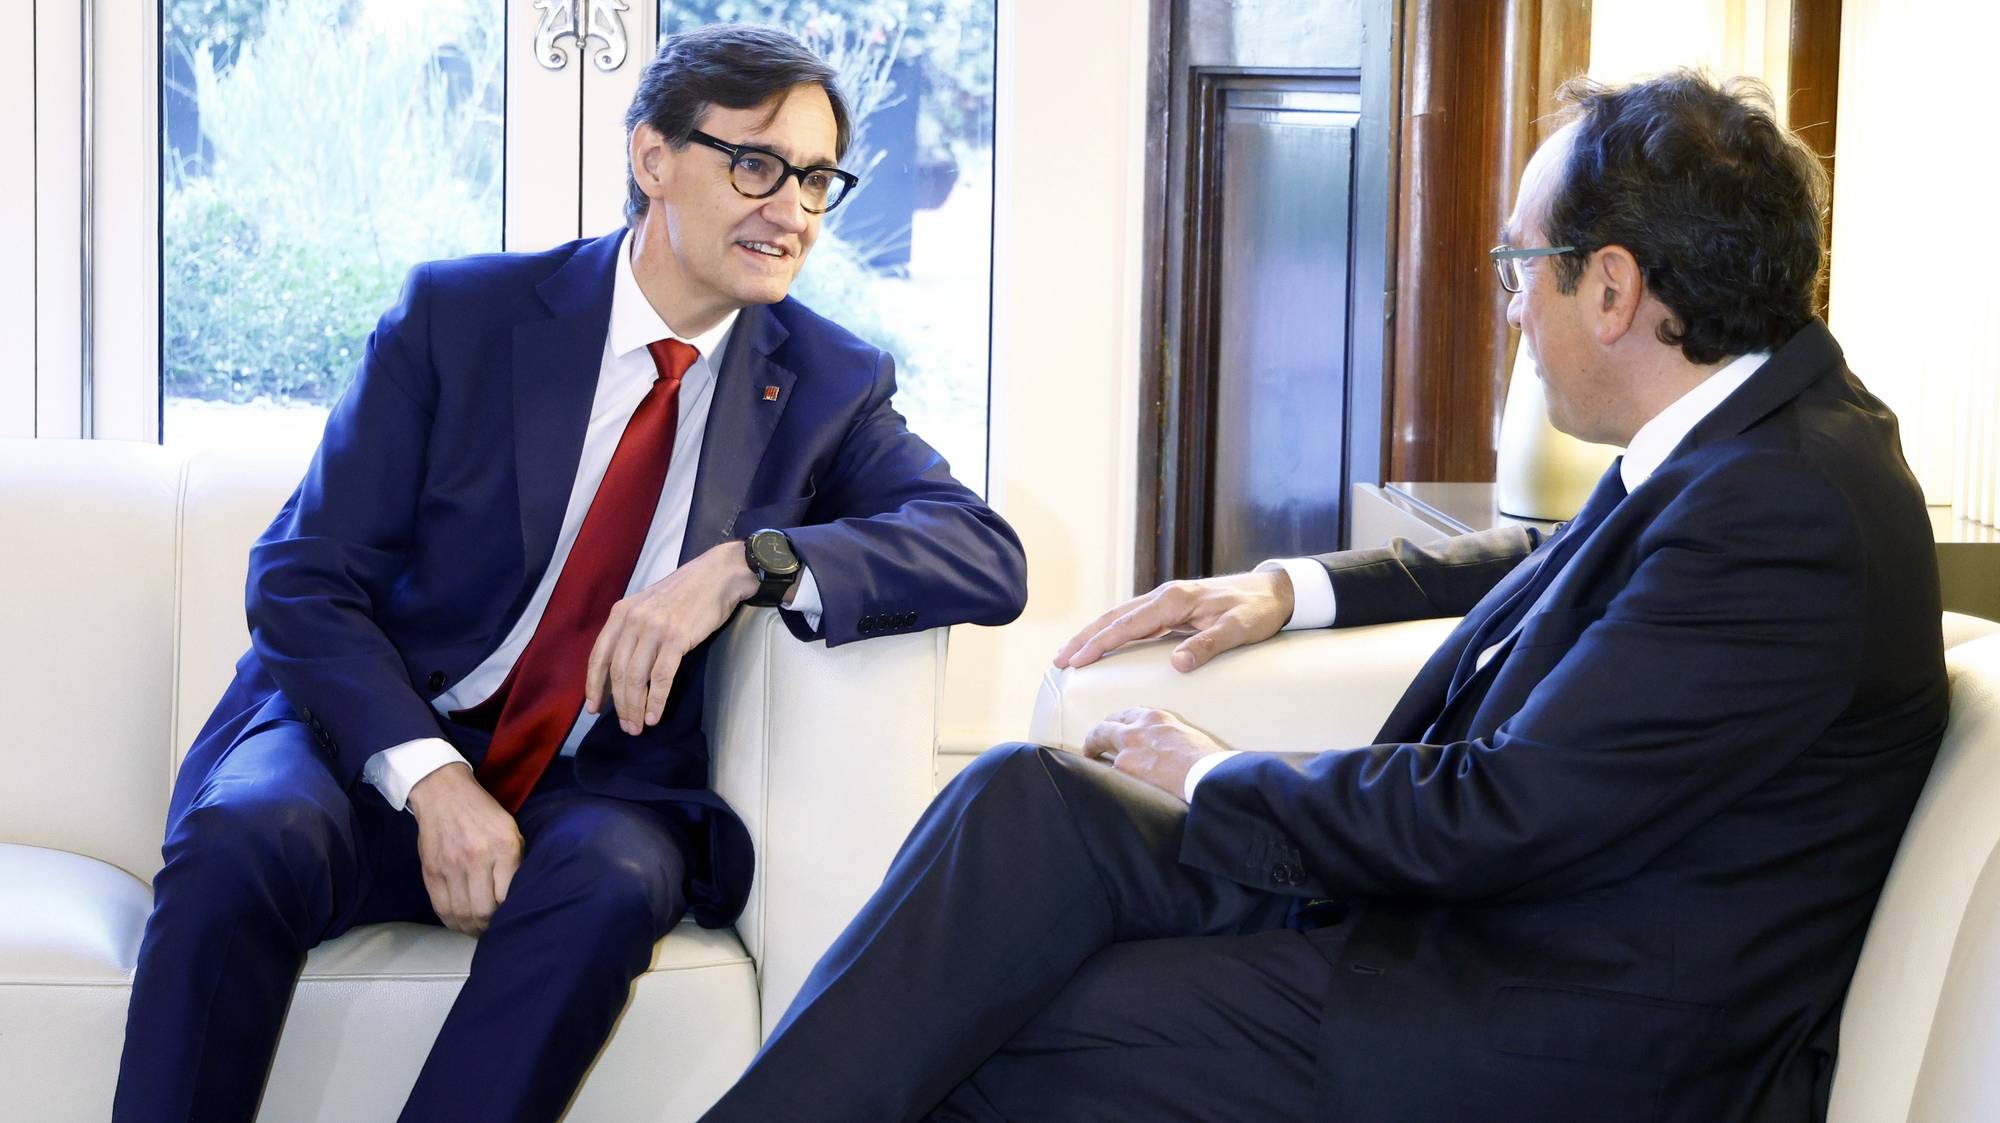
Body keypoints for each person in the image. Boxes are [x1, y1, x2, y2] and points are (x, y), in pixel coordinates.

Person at [698, 71, 1946, 1122]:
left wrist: (1207, 771)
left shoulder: (1782, 509)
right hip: (1472, 928)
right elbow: (1548, 561)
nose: (1510, 302)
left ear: (1611, 289)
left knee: (1013, 1020)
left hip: (1555, 1024)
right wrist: (1289, 591)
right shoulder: (1745, 439)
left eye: (1522, 264)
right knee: (1026, 801)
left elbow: (1502, 810)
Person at [112, 23, 1026, 1123]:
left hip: (592, 785)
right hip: (365, 747)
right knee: (244, 835)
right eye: (756, 164)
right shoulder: (462, 318)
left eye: (818, 178)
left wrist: (745, 564)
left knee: (617, 881)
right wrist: (432, 783)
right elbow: (301, 577)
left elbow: (983, 551)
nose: (792, 209)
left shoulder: (825, 382)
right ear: (652, 157)